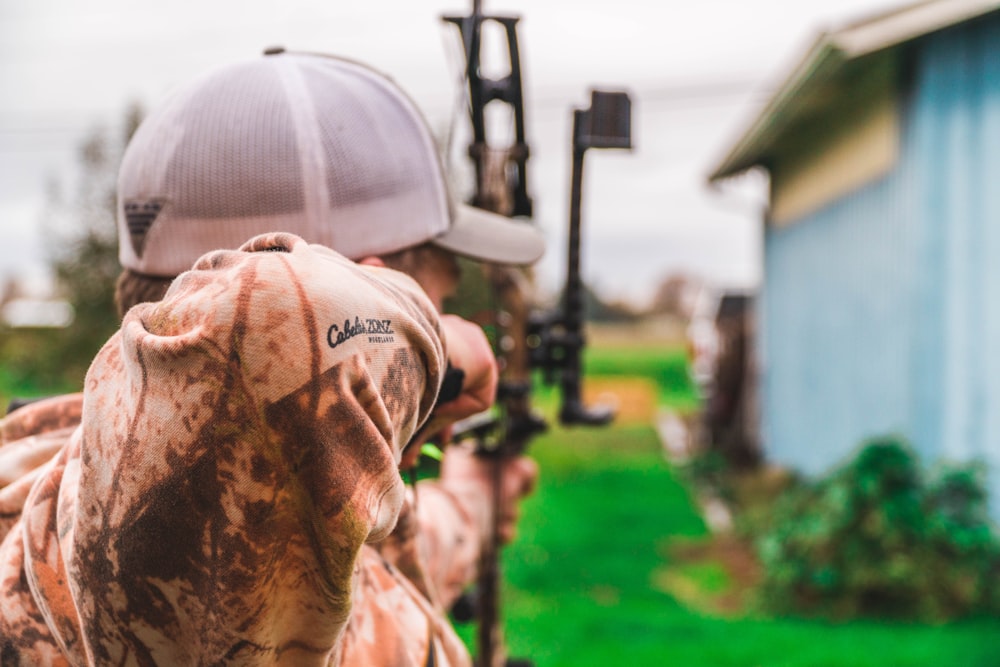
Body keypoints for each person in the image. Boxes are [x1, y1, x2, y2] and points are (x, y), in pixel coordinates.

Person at [0, 50, 542, 665]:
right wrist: (445, 348)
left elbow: (367, 571)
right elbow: (255, 340)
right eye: (434, 294)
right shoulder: (72, 551)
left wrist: (475, 495)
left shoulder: (270, 510)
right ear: (369, 286)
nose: (438, 315)